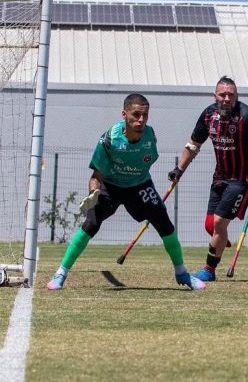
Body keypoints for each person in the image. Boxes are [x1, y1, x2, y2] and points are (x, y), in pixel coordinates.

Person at [46, 94, 205, 290]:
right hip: (111, 186)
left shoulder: (150, 136)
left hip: (140, 186)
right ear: (124, 114)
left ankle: (182, 273)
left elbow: (147, 162)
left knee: (164, 223)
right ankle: (61, 273)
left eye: (144, 115)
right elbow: (96, 176)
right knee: (91, 223)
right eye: (136, 115)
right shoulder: (109, 140)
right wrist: (93, 193)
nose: (140, 120)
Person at [169, 76, 248, 282]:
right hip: (220, 177)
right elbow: (193, 144)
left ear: (236, 96)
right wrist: (179, 169)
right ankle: (220, 239)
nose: (226, 98)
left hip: (243, 180)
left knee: (218, 223)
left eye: (231, 95)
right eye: (222, 94)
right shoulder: (209, 115)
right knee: (210, 225)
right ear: (215, 95)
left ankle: (209, 269)